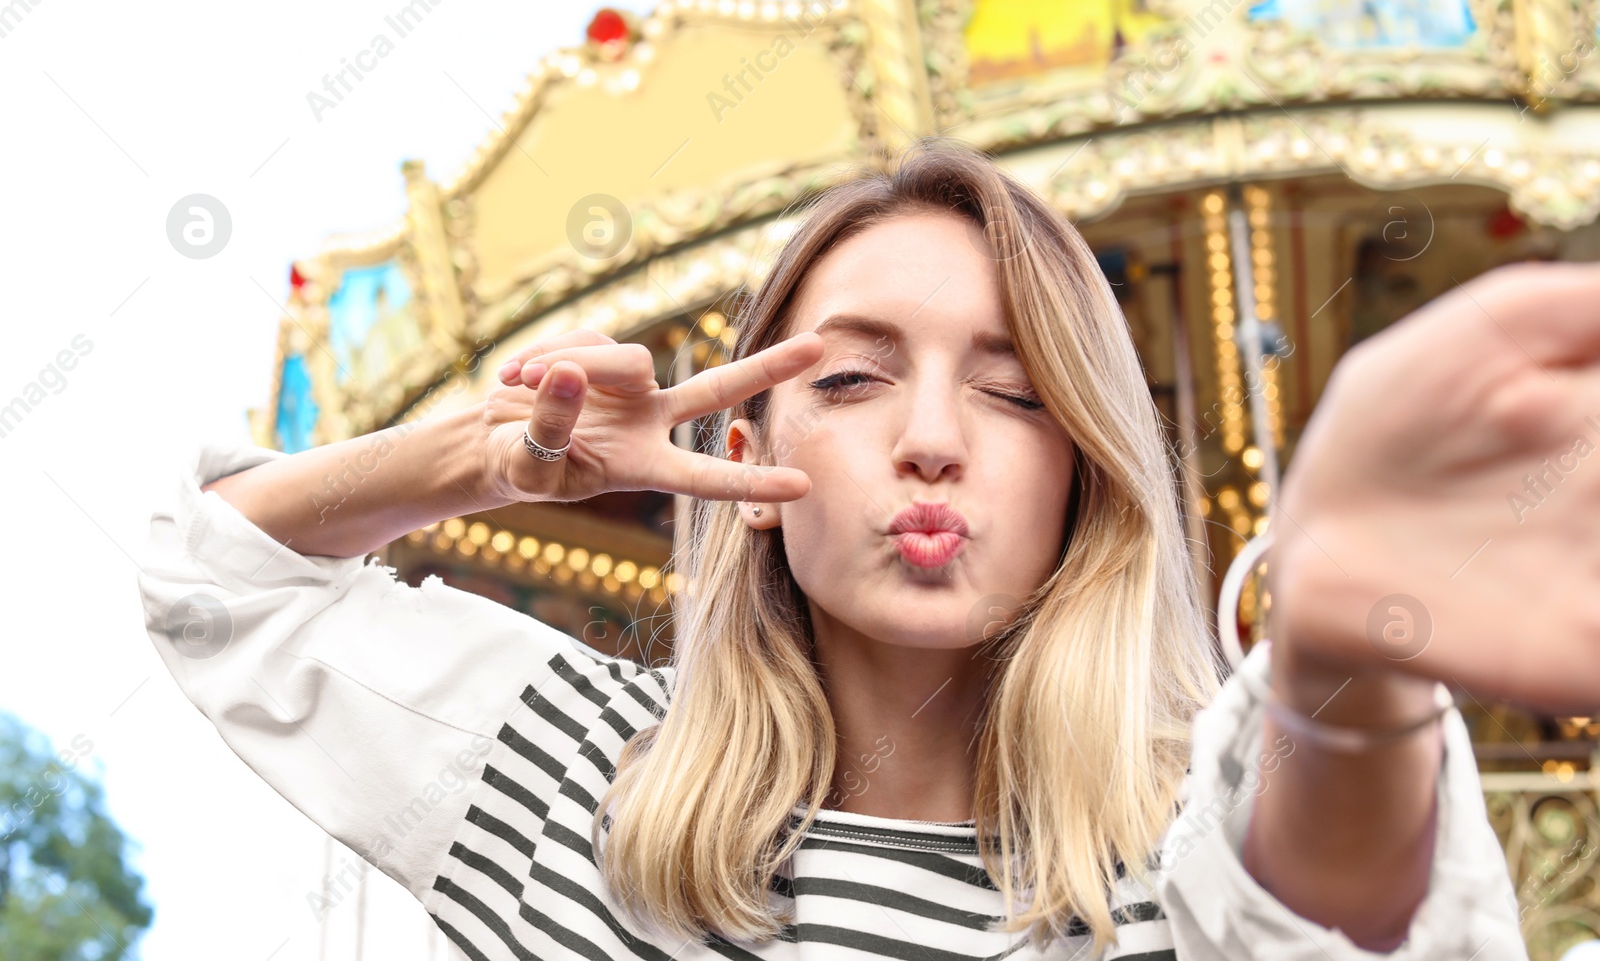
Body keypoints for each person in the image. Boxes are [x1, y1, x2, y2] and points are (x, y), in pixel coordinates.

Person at [137, 141, 1587, 961]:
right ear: (751, 438)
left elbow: (1334, 907)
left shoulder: (1174, 860)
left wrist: (1345, 656)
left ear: (1084, 461)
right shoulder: (576, 781)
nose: (936, 438)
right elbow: (219, 576)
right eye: (849, 379)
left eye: (1017, 392)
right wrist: (494, 456)